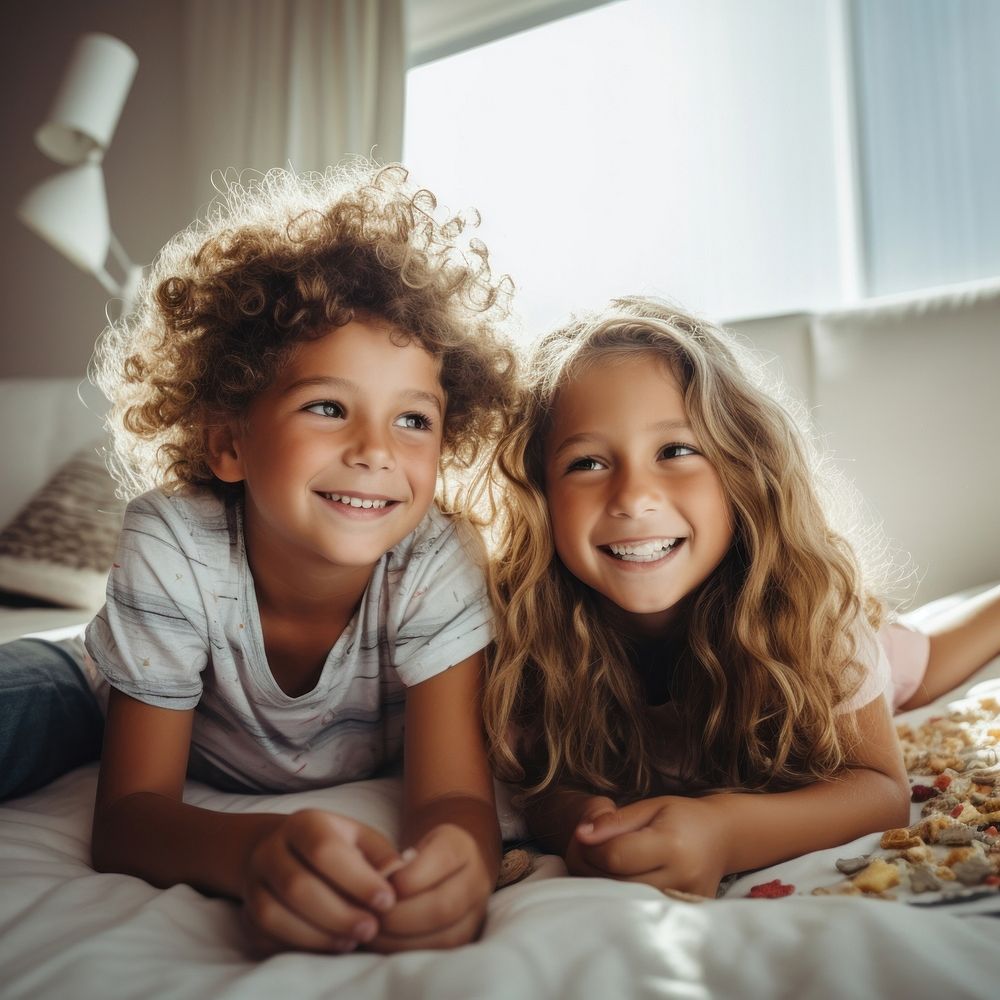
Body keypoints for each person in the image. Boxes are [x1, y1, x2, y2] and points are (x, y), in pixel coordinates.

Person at [0, 162, 519, 954]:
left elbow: (453, 796)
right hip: (95, 684)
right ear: (230, 441)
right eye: (327, 406)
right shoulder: (174, 540)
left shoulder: (435, 561)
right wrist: (251, 851)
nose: (376, 449)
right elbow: (130, 814)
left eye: (413, 420)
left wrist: (460, 858)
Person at [481, 295, 1000, 899]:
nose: (633, 496)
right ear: (540, 494)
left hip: (864, 651)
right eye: (587, 462)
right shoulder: (525, 638)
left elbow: (879, 789)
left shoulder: (810, 615)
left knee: (928, 661)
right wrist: (576, 819)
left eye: (675, 451)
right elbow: (536, 782)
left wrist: (726, 831)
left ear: (742, 472)